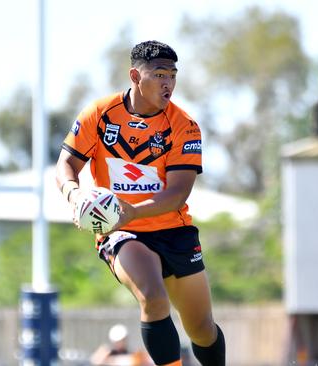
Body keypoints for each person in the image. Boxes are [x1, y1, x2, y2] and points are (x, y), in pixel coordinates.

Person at [56, 40, 225, 366]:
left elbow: (177, 194)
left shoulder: (184, 126)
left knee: (201, 329)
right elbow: (65, 165)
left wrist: (132, 210)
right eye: (160, 74)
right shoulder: (99, 114)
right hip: (121, 232)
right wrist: (75, 196)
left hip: (173, 231)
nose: (168, 83)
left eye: (173, 75)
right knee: (152, 296)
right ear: (135, 75)